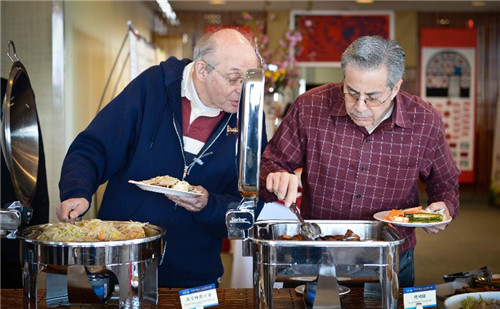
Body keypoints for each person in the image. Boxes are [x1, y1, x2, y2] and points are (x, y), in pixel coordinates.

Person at [57, 28, 264, 288]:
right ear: (202, 70)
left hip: (195, 273)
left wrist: (208, 205)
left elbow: (250, 206)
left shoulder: (250, 118)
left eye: (251, 80)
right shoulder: (153, 88)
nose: (242, 90)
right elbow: (94, 146)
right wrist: (77, 189)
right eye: (234, 79)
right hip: (123, 262)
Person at [259, 35, 460, 290]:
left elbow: (444, 183)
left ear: (396, 88)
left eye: (373, 97)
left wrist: (443, 206)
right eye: (351, 93)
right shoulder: (310, 106)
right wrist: (275, 175)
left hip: (390, 257)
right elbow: (270, 163)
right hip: (320, 252)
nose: (359, 106)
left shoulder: (424, 120)